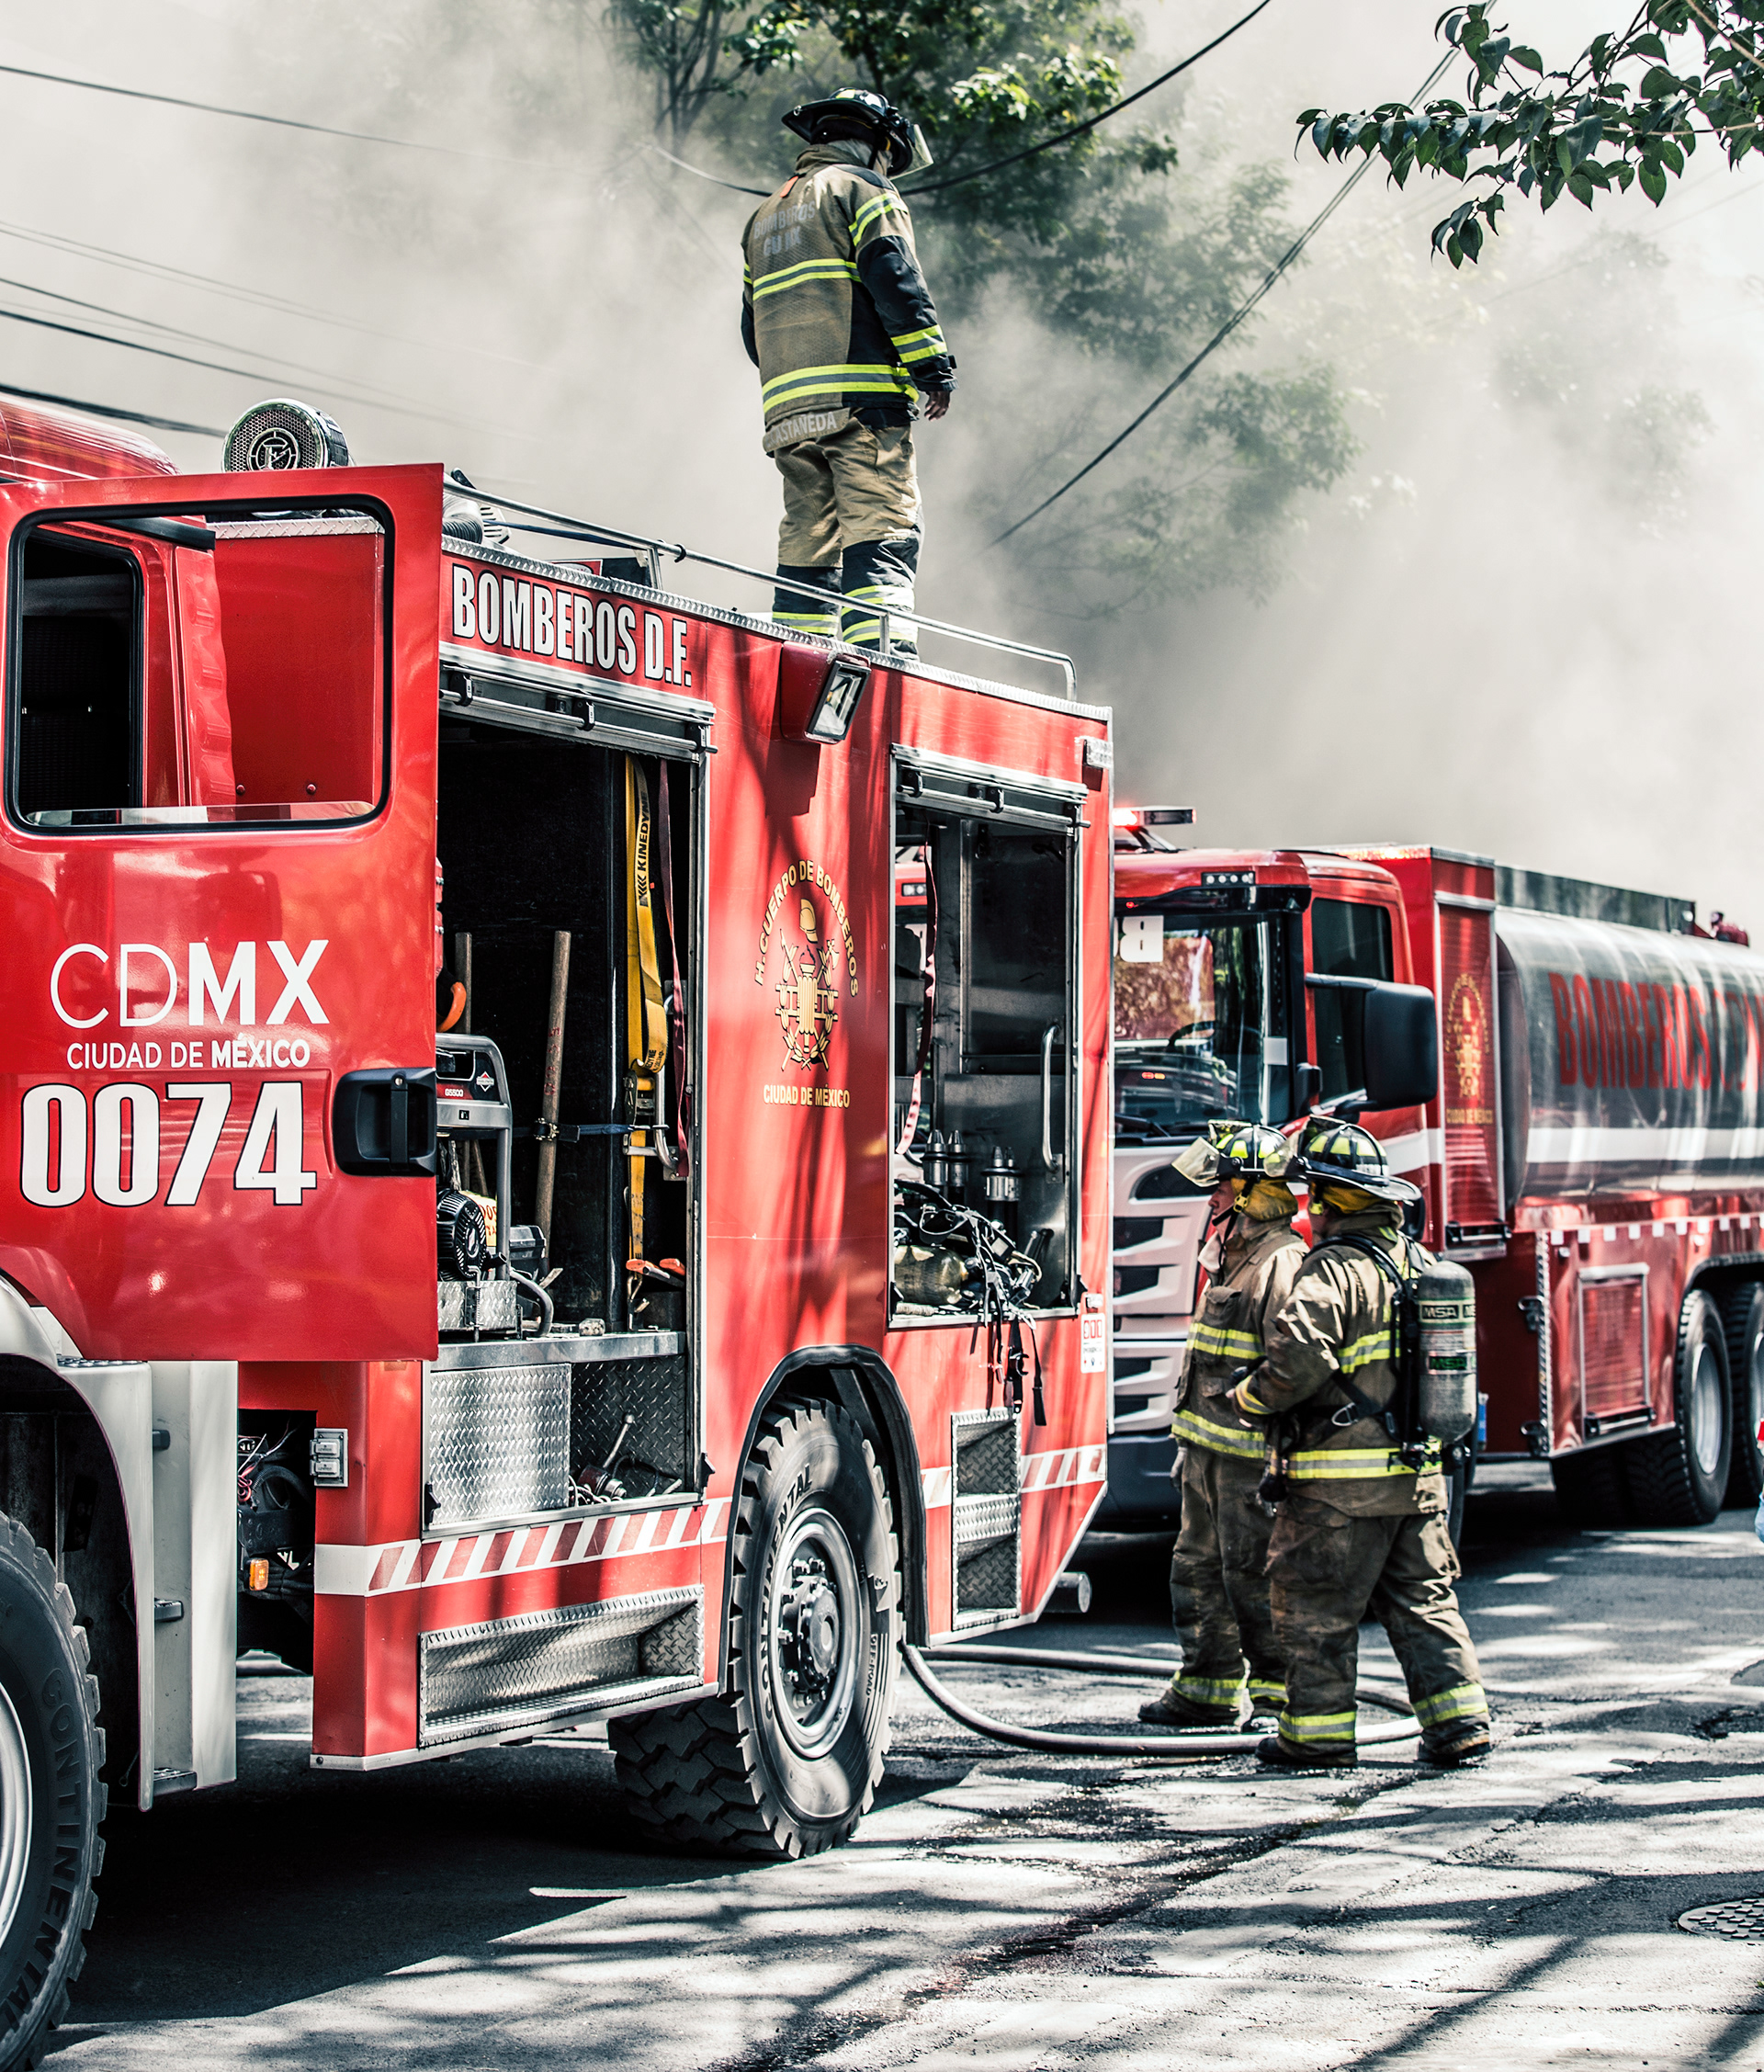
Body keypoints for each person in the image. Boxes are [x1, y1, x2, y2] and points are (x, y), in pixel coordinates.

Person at [1228, 1119, 1492, 1772]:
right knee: (1425, 1602)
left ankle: (1315, 1736)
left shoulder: (1334, 1270)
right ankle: (1460, 1724)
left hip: (1338, 1491)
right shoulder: (1423, 1264)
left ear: (1324, 1197)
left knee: (1314, 1607)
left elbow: (1294, 1360)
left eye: (1312, 1193)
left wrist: (1248, 1399)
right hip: (1421, 1479)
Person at [741, 87, 956, 656]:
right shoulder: (862, 190)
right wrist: (932, 367)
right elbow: (897, 284)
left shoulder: (764, 216)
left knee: (809, 537)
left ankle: (799, 658)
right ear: (879, 143)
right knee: (882, 529)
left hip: (788, 417)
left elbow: (751, 330)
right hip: (860, 404)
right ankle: (886, 660)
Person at [1139, 1121, 1304, 1731]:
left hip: (1248, 1458)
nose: (1212, 1196)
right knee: (1197, 1567)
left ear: (1253, 1191)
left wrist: (1277, 1461)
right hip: (1207, 1449)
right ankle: (1205, 1687)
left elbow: (1289, 1368)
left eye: (1223, 1186)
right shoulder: (1232, 1254)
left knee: (1254, 1574)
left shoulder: (1279, 1262)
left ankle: (1277, 1701)